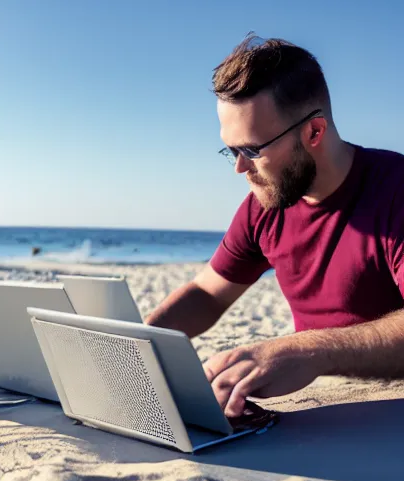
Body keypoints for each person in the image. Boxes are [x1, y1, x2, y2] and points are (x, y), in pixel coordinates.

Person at [145, 34, 404, 418]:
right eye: (230, 151)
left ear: (314, 132)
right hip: (317, 404)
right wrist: (140, 342)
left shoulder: (395, 189)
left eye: (251, 150)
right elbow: (207, 293)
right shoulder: (264, 206)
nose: (239, 168)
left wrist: (307, 351)